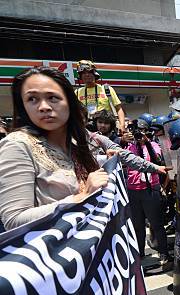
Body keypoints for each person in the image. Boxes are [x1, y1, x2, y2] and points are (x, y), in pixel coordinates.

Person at [0, 66, 108, 230]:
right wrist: (81, 197)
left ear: (69, 102)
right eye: (32, 99)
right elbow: (14, 220)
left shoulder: (75, 142)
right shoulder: (18, 144)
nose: (43, 107)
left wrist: (107, 162)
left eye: (52, 98)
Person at [125, 118, 172, 269]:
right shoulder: (128, 147)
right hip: (133, 191)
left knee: (157, 224)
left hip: (150, 189)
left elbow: (157, 161)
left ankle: (164, 253)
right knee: (137, 226)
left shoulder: (154, 145)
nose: (138, 135)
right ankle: (139, 253)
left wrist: (146, 144)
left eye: (141, 132)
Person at [75, 60, 125, 131]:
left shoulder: (107, 89)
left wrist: (122, 126)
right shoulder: (77, 92)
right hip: (86, 130)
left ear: (94, 74)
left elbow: (119, 109)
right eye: (83, 73)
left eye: (89, 72)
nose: (87, 75)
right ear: (80, 76)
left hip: (106, 129)